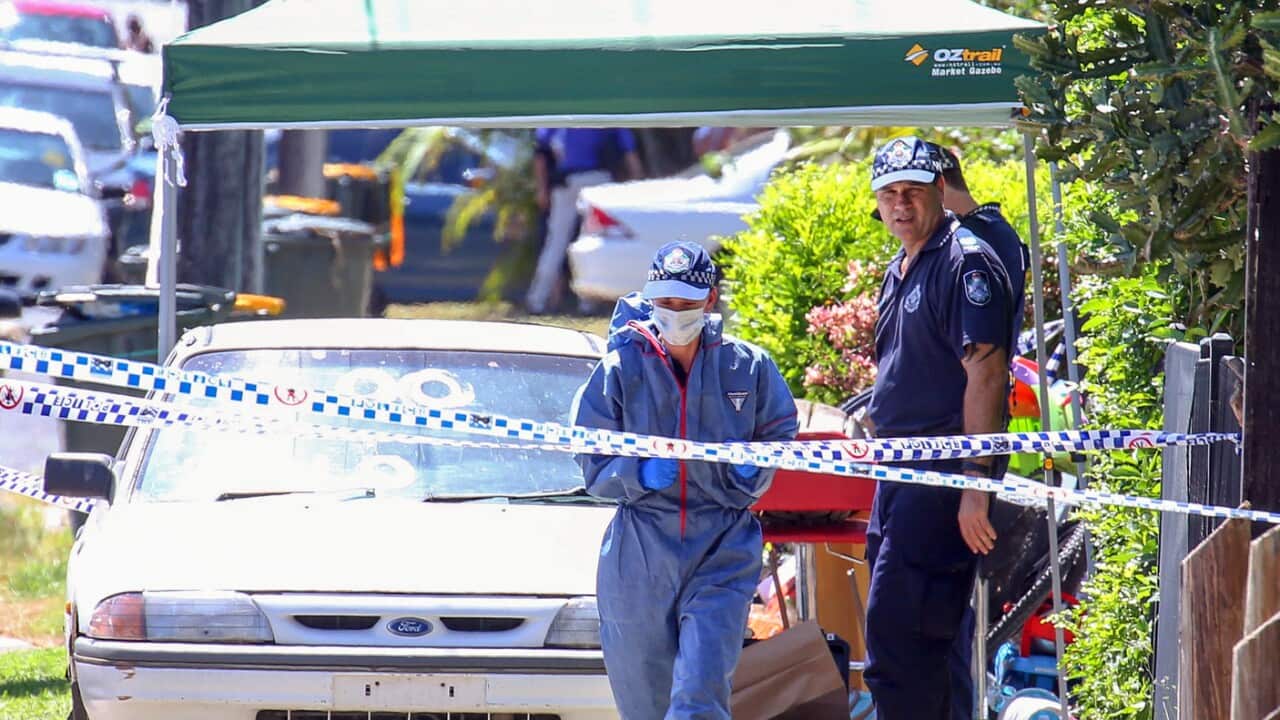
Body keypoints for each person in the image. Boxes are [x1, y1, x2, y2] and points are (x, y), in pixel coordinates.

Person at [572, 240, 798, 719]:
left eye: (686, 303)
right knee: (646, 704)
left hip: (723, 545)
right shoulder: (620, 368)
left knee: (700, 692)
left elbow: (779, 429)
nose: (674, 312)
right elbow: (591, 456)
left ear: (710, 299)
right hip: (640, 554)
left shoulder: (747, 365)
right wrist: (638, 474)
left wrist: (752, 470)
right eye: (665, 302)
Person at [861, 136, 1014, 720]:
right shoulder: (902, 267)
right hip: (898, 476)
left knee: (900, 644)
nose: (901, 204)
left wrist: (974, 484)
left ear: (939, 193)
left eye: (913, 192)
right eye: (889, 194)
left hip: (942, 478)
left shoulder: (963, 260)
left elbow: (987, 374)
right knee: (927, 650)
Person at [527, 128, 644, 314]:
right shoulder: (607, 115)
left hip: (566, 181)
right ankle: (588, 303)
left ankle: (537, 300)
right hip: (598, 179)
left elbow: (541, 153)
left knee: (556, 242)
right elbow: (628, 152)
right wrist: (637, 184)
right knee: (593, 241)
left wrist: (542, 189)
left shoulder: (558, 118)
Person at [931, 143, 1030, 338]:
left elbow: (978, 335)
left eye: (914, 193)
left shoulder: (974, 238)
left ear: (939, 186)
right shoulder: (991, 228)